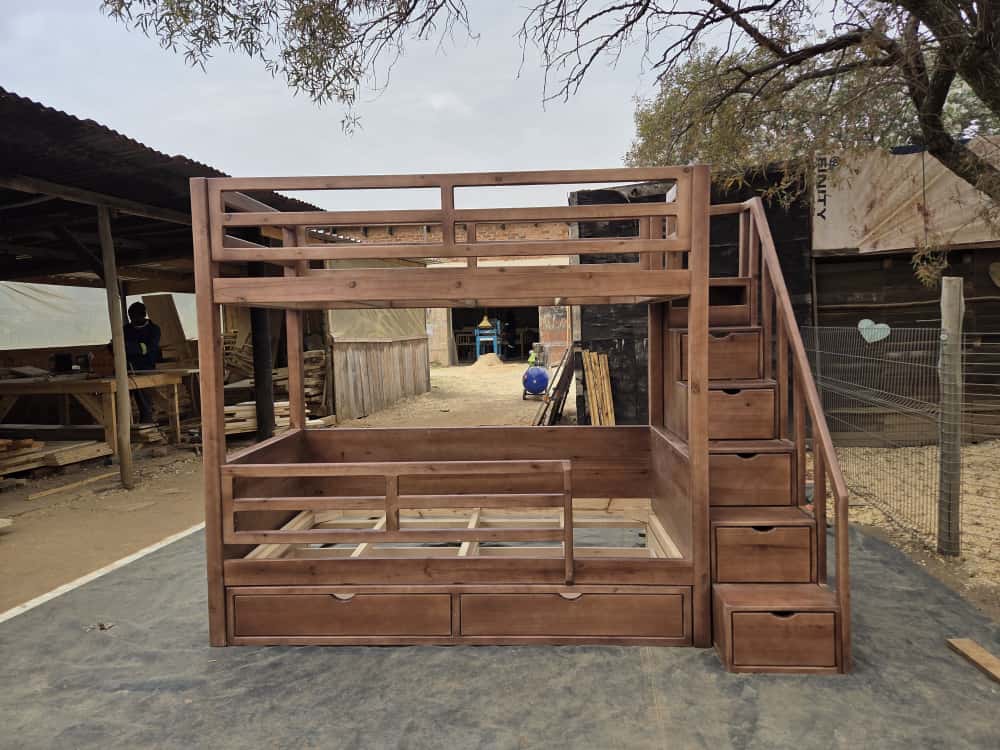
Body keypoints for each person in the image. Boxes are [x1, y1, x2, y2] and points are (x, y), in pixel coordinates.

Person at [121, 302, 161, 424]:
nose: (132, 320)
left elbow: (149, 348)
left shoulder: (154, 330)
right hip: (127, 369)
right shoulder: (126, 329)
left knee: (144, 401)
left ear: (143, 315)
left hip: (146, 369)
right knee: (122, 401)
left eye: (135, 317)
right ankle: (125, 428)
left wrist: (129, 347)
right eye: (130, 317)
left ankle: (147, 426)